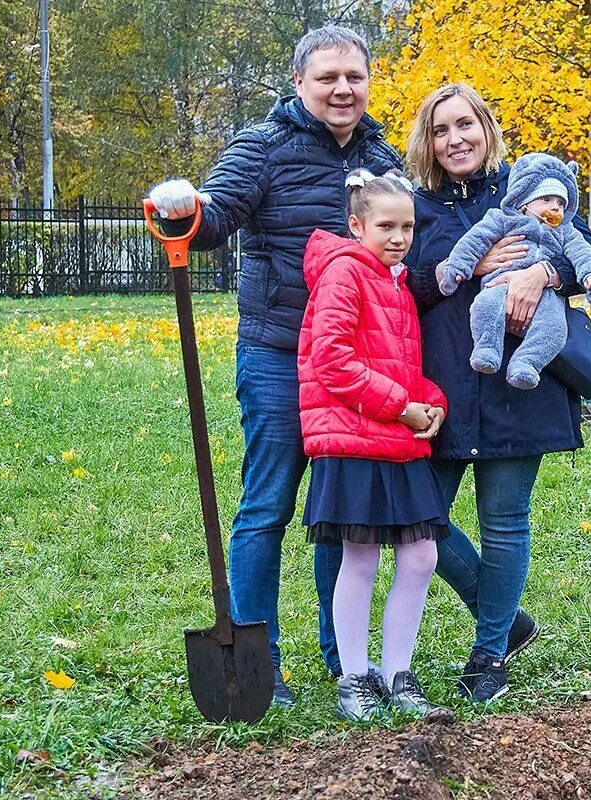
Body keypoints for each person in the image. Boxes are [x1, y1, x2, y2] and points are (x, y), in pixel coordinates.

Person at [144, 26, 403, 707]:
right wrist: (185, 216)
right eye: (328, 78)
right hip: (279, 354)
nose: (343, 89)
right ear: (299, 84)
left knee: (339, 512)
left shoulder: (383, 156)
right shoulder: (262, 148)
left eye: (355, 76)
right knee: (267, 507)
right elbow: (216, 215)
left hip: (352, 364)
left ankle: (341, 657)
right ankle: (259, 664)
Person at [403, 83, 591, 702]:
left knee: (505, 522)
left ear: (486, 127)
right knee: (420, 521)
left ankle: (489, 653)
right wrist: (475, 267)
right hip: (443, 386)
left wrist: (542, 271)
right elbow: (401, 282)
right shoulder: (417, 207)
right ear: (427, 142)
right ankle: (507, 618)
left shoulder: (525, 189)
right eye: (441, 130)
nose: (455, 139)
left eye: (465, 124)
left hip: (521, 388)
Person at [298, 171, 450, 721]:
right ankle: (355, 679)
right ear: (356, 224)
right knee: (358, 558)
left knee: (421, 555)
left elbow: (404, 365)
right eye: (386, 225)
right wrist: (401, 406)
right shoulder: (344, 274)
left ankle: (397, 672)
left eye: (407, 226)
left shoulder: (397, 281)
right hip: (352, 437)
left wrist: (430, 401)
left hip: (397, 435)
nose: (399, 236)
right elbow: (331, 360)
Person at [440, 152, 591, 389]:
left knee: (554, 330)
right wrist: (458, 266)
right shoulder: (502, 219)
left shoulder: (566, 231)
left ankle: (526, 364)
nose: (555, 208)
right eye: (547, 200)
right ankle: (487, 349)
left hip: (547, 297)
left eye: (561, 203)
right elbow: (474, 241)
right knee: (485, 306)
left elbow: (584, 253)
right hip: (499, 284)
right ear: (525, 201)